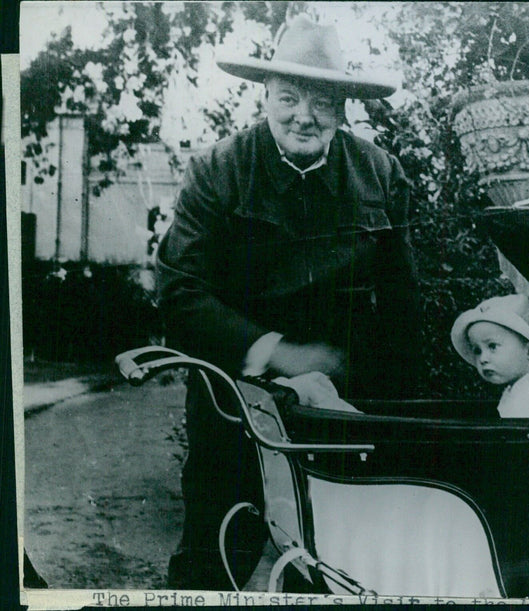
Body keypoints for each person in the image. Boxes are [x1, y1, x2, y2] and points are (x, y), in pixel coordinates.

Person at [156, 15, 422, 589]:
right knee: (212, 562)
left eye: (322, 101)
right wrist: (278, 354)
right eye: (288, 97)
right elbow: (178, 291)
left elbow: (403, 306)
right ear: (265, 97)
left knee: (336, 569)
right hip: (234, 400)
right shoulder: (218, 169)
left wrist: (390, 414)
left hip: (342, 411)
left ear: (343, 106)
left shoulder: (381, 174)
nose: (304, 115)